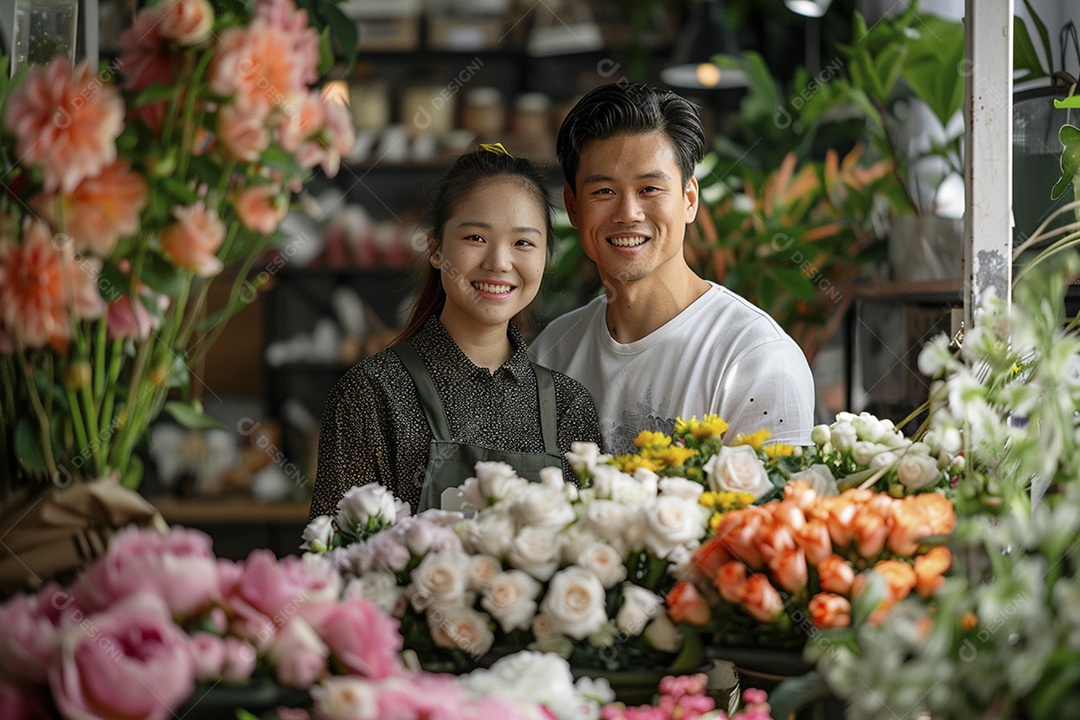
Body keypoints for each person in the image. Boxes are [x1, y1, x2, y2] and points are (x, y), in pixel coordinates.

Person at [311, 144, 602, 517]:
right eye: (475, 238)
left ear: (545, 259)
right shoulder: (371, 394)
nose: (499, 262)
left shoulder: (568, 406)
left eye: (523, 243)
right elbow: (335, 559)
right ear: (435, 249)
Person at [530, 83, 815, 454]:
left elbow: (775, 511)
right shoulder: (552, 353)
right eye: (604, 192)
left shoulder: (754, 359)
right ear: (572, 207)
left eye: (650, 189)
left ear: (689, 200)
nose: (628, 214)